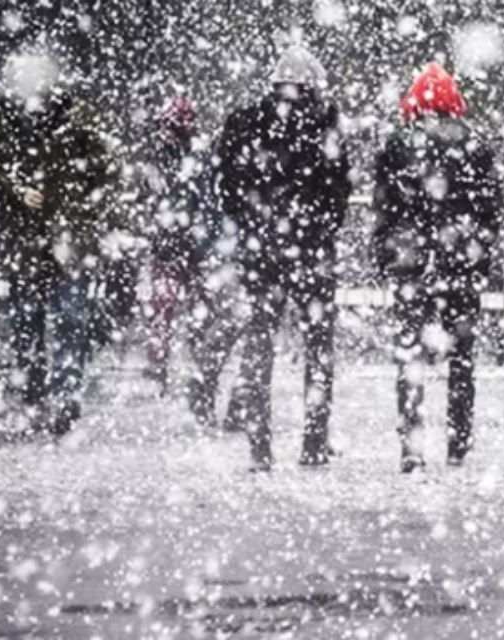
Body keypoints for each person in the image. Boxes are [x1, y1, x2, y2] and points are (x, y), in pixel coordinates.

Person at [207, 45, 352, 470]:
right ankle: (313, 440)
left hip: (261, 251)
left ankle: (259, 445)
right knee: (318, 346)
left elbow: (226, 186)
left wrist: (253, 227)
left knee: (259, 343)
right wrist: (319, 227)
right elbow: (338, 188)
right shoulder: (324, 125)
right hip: (310, 251)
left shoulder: (244, 122)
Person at [0, 52, 114, 435]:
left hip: (61, 239)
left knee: (62, 319)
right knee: (32, 320)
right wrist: (16, 189)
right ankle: (40, 393)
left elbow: (106, 169)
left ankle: (59, 396)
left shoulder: (74, 117)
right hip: (31, 239)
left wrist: (76, 204)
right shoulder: (3, 118)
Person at [372, 62, 504, 472]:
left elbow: (385, 208)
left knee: (410, 356)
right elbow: (490, 210)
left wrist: (387, 254)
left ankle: (412, 445)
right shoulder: (476, 145)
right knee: (461, 358)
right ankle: (458, 442)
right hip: (461, 264)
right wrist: (478, 252)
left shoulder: (397, 144)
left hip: (412, 265)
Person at [138, 97, 210, 393]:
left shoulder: (160, 156)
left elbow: (151, 196)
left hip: (174, 242)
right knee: (183, 307)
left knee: (164, 308)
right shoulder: (192, 155)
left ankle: (164, 363)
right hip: (185, 243)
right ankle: (197, 360)